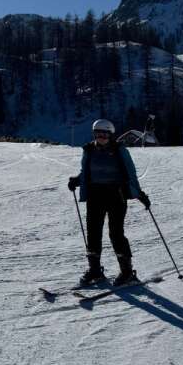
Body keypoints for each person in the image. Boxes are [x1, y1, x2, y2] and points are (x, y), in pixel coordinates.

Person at [68, 119, 151, 287]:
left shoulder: (119, 150)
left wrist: (139, 194)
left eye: (104, 134)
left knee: (116, 233)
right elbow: (86, 172)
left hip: (116, 196)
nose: (101, 137)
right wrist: (77, 180)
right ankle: (95, 270)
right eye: (98, 133)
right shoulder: (89, 150)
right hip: (95, 196)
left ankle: (127, 272)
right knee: (93, 233)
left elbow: (130, 173)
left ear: (110, 135)